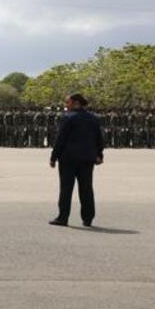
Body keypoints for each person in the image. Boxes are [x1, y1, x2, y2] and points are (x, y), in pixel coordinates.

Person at [49, 93, 104, 227]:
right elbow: (100, 138)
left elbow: (60, 139)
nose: (66, 105)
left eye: (68, 103)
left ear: (76, 103)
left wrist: (53, 157)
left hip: (69, 158)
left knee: (66, 188)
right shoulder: (94, 118)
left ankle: (63, 218)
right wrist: (99, 154)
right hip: (87, 158)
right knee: (86, 188)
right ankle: (88, 218)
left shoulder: (68, 118)